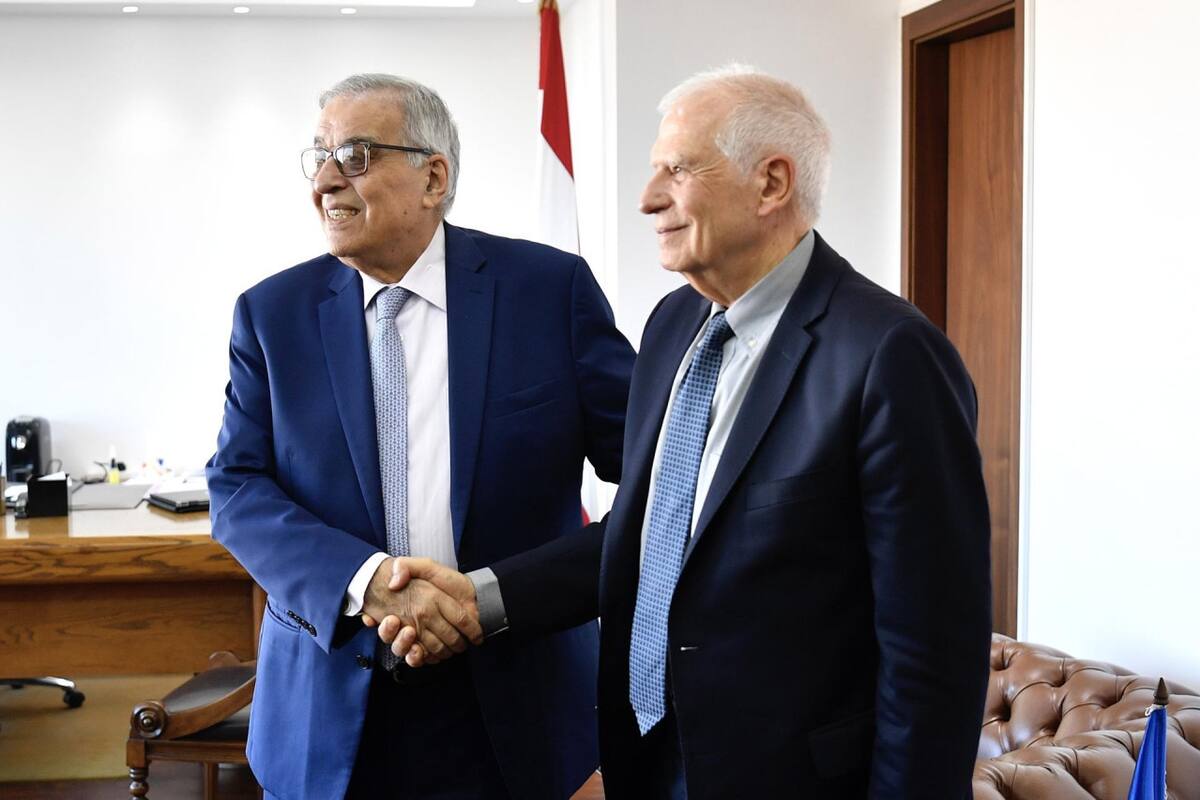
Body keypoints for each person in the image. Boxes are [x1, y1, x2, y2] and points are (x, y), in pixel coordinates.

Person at [380, 65, 992, 798]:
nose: (647, 198)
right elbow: (651, 537)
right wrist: (478, 600)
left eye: (677, 170)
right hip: (648, 759)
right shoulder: (673, 325)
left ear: (771, 184)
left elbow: (932, 650)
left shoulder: (890, 354)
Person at [206, 72, 635, 800]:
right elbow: (237, 487)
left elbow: (657, 473)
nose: (325, 182)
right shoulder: (272, 314)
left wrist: (504, 596)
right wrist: (366, 580)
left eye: (355, 156)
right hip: (328, 702)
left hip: (516, 698)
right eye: (319, 158)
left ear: (433, 176)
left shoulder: (547, 291)